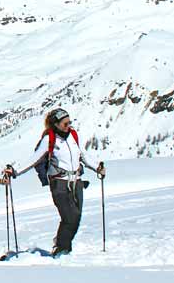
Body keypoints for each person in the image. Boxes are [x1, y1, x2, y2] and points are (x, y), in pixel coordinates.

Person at [10, 108, 106, 257]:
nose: (68, 126)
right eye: (65, 123)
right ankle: (62, 249)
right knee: (70, 217)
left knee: (76, 217)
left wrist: (97, 168)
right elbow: (35, 158)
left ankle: (62, 245)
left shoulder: (73, 135)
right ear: (56, 124)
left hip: (76, 181)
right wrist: (15, 170)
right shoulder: (50, 138)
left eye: (69, 122)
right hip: (59, 183)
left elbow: (82, 155)